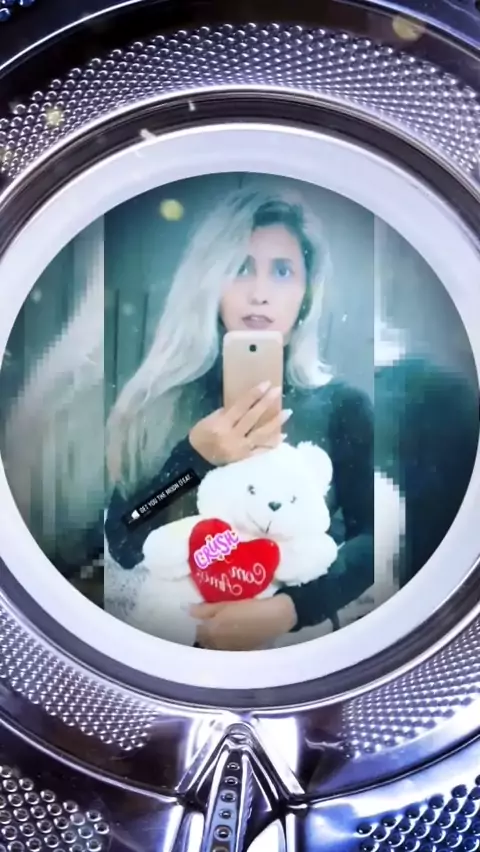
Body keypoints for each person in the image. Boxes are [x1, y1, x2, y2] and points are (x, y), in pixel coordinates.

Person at [104, 181, 375, 648]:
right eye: (240, 268)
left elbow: (375, 540)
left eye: (283, 271)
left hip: (299, 652)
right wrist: (193, 460)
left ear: (306, 294)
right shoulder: (162, 401)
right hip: (174, 647)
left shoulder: (343, 406)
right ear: (210, 281)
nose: (260, 293)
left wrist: (288, 610)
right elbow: (125, 541)